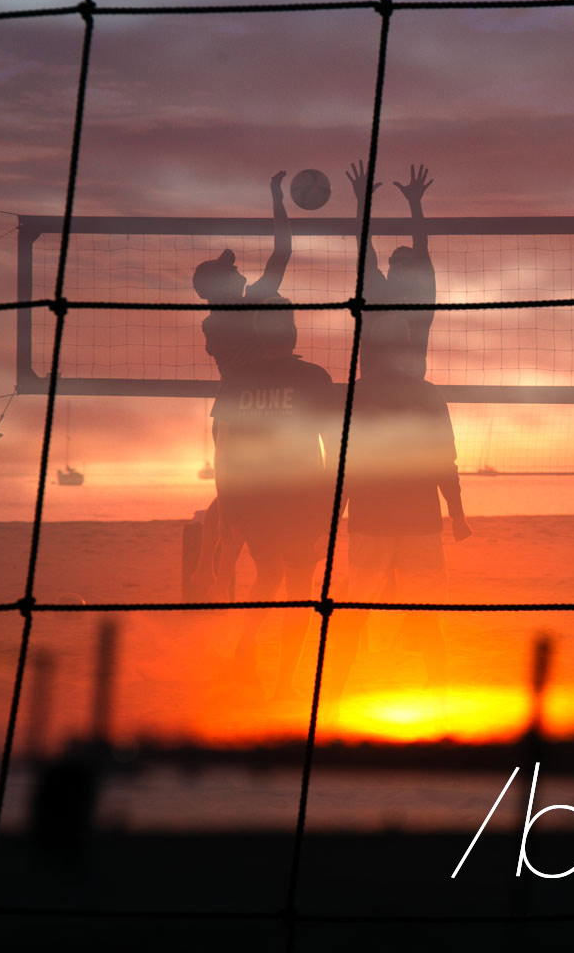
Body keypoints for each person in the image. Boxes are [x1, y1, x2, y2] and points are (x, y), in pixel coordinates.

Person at [321, 314, 473, 717]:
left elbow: (342, 467)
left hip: (370, 523)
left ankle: (333, 694)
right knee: (425, 613)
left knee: (354, 612)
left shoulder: (354, 396)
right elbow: (445, 460)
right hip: (419, 522)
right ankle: (438, 691)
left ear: (371, 350)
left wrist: (332, 521)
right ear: (405, 349)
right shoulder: (427, 394)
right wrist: (457, 514)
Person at [213, 300, 340, 700]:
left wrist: (228, 509)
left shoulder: (237, 379)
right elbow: (335, 449)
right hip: (303, 503)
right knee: (300, 588)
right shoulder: (314, 377)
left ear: (258, 336)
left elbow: (223, 453)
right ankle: (285, 682)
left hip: (255, 501)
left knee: (267, 575)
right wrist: (332, 512)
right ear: (294, 336)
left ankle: (245, 644)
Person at [193, 171, 293, 375]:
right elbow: (282, 252)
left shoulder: (212, 323)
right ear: (219, 286)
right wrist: (277, 201)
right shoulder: (251, 304)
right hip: (261, 389)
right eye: (228, 269)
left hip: (242, 390)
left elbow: (282, 254)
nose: (235, 268)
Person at [346, 161, 437, 380]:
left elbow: (421, 246)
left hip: (409, 387)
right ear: (389, 264)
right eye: (396, 261)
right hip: (372, 385)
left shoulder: (421, 297)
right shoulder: (375, 289)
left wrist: (415, 202)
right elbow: (364, 243)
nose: (400, 266)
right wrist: (362, 201)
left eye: (407, 263)